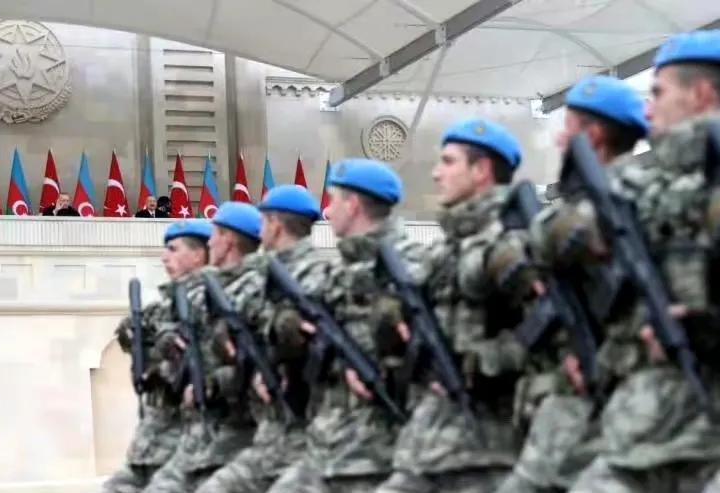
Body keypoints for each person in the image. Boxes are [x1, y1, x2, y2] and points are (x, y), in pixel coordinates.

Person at [541, 30, 720, 492]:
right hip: (653, 418)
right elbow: (550, 236)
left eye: (659, 93)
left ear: (701, 94)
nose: (647, 110)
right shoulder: (645, 185)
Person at [496, 75, 650, 493]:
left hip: (606, 383)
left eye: (567, 127)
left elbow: (542, 241)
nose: (559, 139)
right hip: (592, 375)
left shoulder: (609, 200)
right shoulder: (628, 197)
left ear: (592, 135)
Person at [374, 118, 536, 492]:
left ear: (481, 170)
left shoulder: (513, 240)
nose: (436, 173)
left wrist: (485, 361)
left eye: (448, 162)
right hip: (429, 444)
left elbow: (553, 331)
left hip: (489, 448)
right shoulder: (444, 249)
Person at [267, 158, 427, 493]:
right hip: (330, 442)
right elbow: (287, 314)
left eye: (333, 199)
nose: (326, 211)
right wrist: (285, 324)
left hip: (382, 446)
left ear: (352, 205)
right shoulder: (338, 268)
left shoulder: (411, 261)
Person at [196, 185, 332, 493]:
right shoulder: (263, 276)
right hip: (271, 427)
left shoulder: (317, 272)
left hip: (303, 427)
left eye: (263, 221)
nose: (259, 231)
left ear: (275, 224)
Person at [143, 202, 264, 493]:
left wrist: (212, 382)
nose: (211, 243)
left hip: (239, 429)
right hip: (202, 430)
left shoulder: (252, 288)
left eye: (216, 235)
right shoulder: (203, 294)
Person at [101, 218, 213, 493]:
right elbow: (131, 338)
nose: (164, 257)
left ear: (198, 255)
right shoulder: (163, 307)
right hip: (154, 440)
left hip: (190, 439)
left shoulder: (209, 300)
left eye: (174, 249)